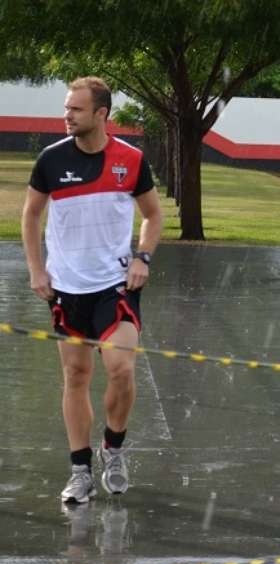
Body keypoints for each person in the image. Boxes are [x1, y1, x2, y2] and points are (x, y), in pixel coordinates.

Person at [21, 76, 162, 504]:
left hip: (114, 287)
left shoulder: (132, 160)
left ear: (102, 114)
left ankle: (113, 450)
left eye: (76, 109)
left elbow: (153, 216)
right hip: (66, 288)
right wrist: (37, 270)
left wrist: (143, 258)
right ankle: (80, 470)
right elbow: (30, 217)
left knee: (120, 369)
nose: (67, 115)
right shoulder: (50, 160)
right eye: (66, 108)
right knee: (76, 376)